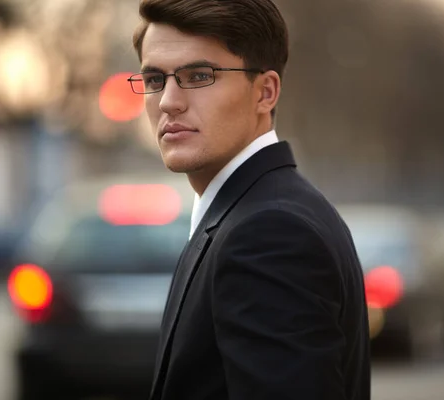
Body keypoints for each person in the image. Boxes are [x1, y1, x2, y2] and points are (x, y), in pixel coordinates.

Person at [129, 0, 371, 399]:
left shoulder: (270, 234)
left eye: (199, 75)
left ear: (265, 92)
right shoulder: (253, 214)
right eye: (155, 80)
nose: (168, 101)